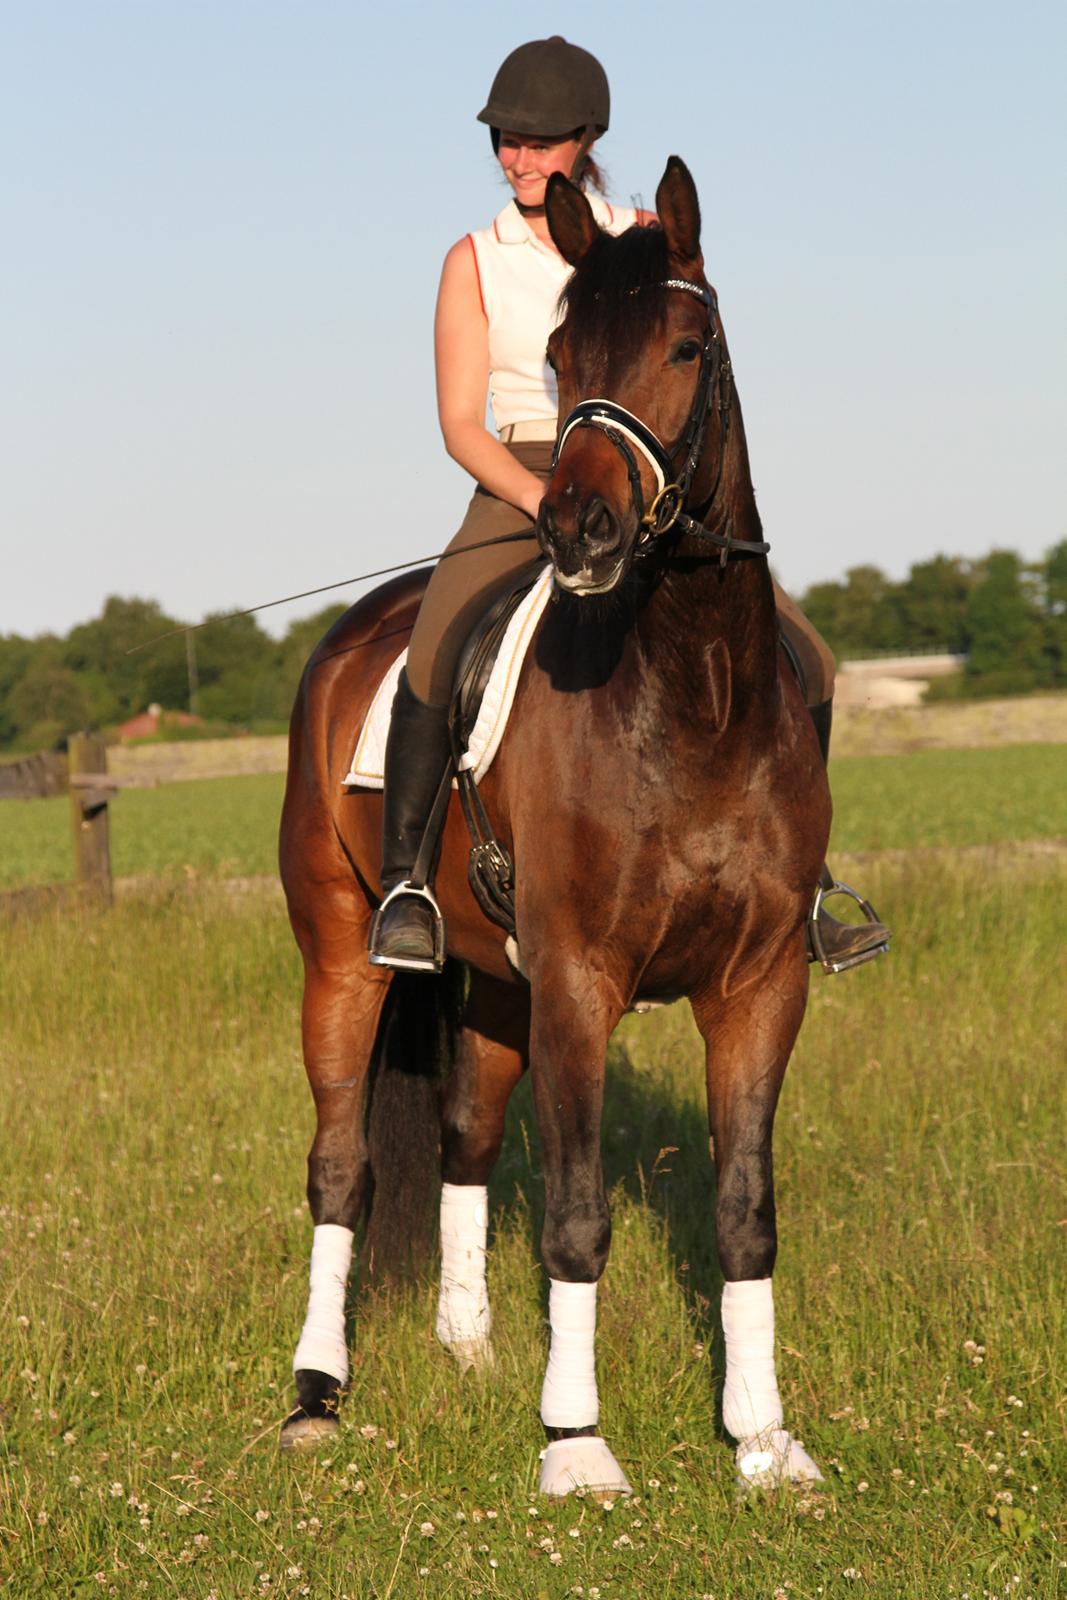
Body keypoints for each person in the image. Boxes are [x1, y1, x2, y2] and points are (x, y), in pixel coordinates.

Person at [369, 35, 889, 976]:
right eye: (504, 141)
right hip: (524, 474)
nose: (517, 159)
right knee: (437, 641)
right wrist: (539, 499)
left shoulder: (644, 235)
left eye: (538, 141)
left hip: (639, 477)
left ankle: (804, 884)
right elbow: (459, 422)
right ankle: (405, 883)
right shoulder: (472, 260)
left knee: (803, 654)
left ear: (585, 138)